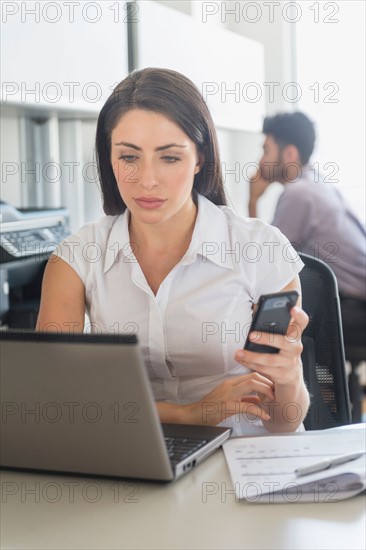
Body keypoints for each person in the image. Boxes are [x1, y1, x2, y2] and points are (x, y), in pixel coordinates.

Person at [37, 68, 309, 436]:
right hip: (134, 457)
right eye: (129, 157)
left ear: (199, 158)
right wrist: (193, 413)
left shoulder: (261, 249)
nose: (147, 179)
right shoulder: (75, 258)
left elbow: (285, 422)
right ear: (109, 157)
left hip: (244, 462)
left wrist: (289, 377)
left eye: (169, 157)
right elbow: (53, 402)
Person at [248, 112, 366, 353]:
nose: (260, 161)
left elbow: (263, 266)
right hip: (357, 306)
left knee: (268, 321)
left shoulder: (298, 193)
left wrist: (252, 200)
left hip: (354, 312)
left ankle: (306, 391)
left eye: (266, 150)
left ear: (289, 154)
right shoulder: (318, 184)